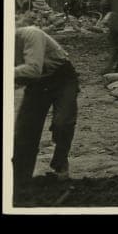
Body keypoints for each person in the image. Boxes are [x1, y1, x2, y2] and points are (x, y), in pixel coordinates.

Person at [13, 17, 79, 185]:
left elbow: (32, 69)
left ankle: (60, 163)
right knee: (25, 130)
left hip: (62, 77)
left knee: (63, 122)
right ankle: (20, 178)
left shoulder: (31, 34)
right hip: (37, 84)